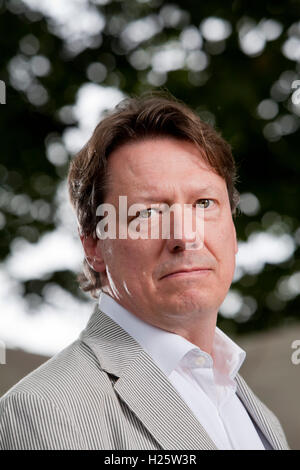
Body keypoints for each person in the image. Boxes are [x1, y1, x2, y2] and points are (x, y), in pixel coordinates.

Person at [0, 93, 290, 450]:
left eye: (203, 203)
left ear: (232, 228)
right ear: (94, 246)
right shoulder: (44, 412)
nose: (185, 237)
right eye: (147, 213)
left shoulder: (260, 418)